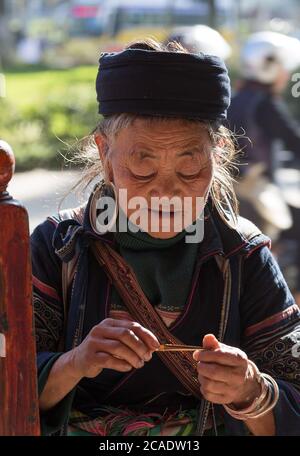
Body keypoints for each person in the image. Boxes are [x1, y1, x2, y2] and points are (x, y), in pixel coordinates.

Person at [31, 39, 300, 436]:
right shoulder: (58, 248)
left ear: (219, 155)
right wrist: (76, 362)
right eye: (142, 170)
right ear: (105, 155)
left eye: (190, 170)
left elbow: (292, 397)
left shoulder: (243, 254)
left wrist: (251, 390)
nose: (167, 192)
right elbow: (10, 383)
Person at [227, 31, 300, 302]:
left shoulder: (236, 97)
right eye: (283, 68)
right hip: (255, 190)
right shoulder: (265, 103)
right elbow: (294, 140)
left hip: (232, 187)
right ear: (270, 67)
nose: (285, 76)